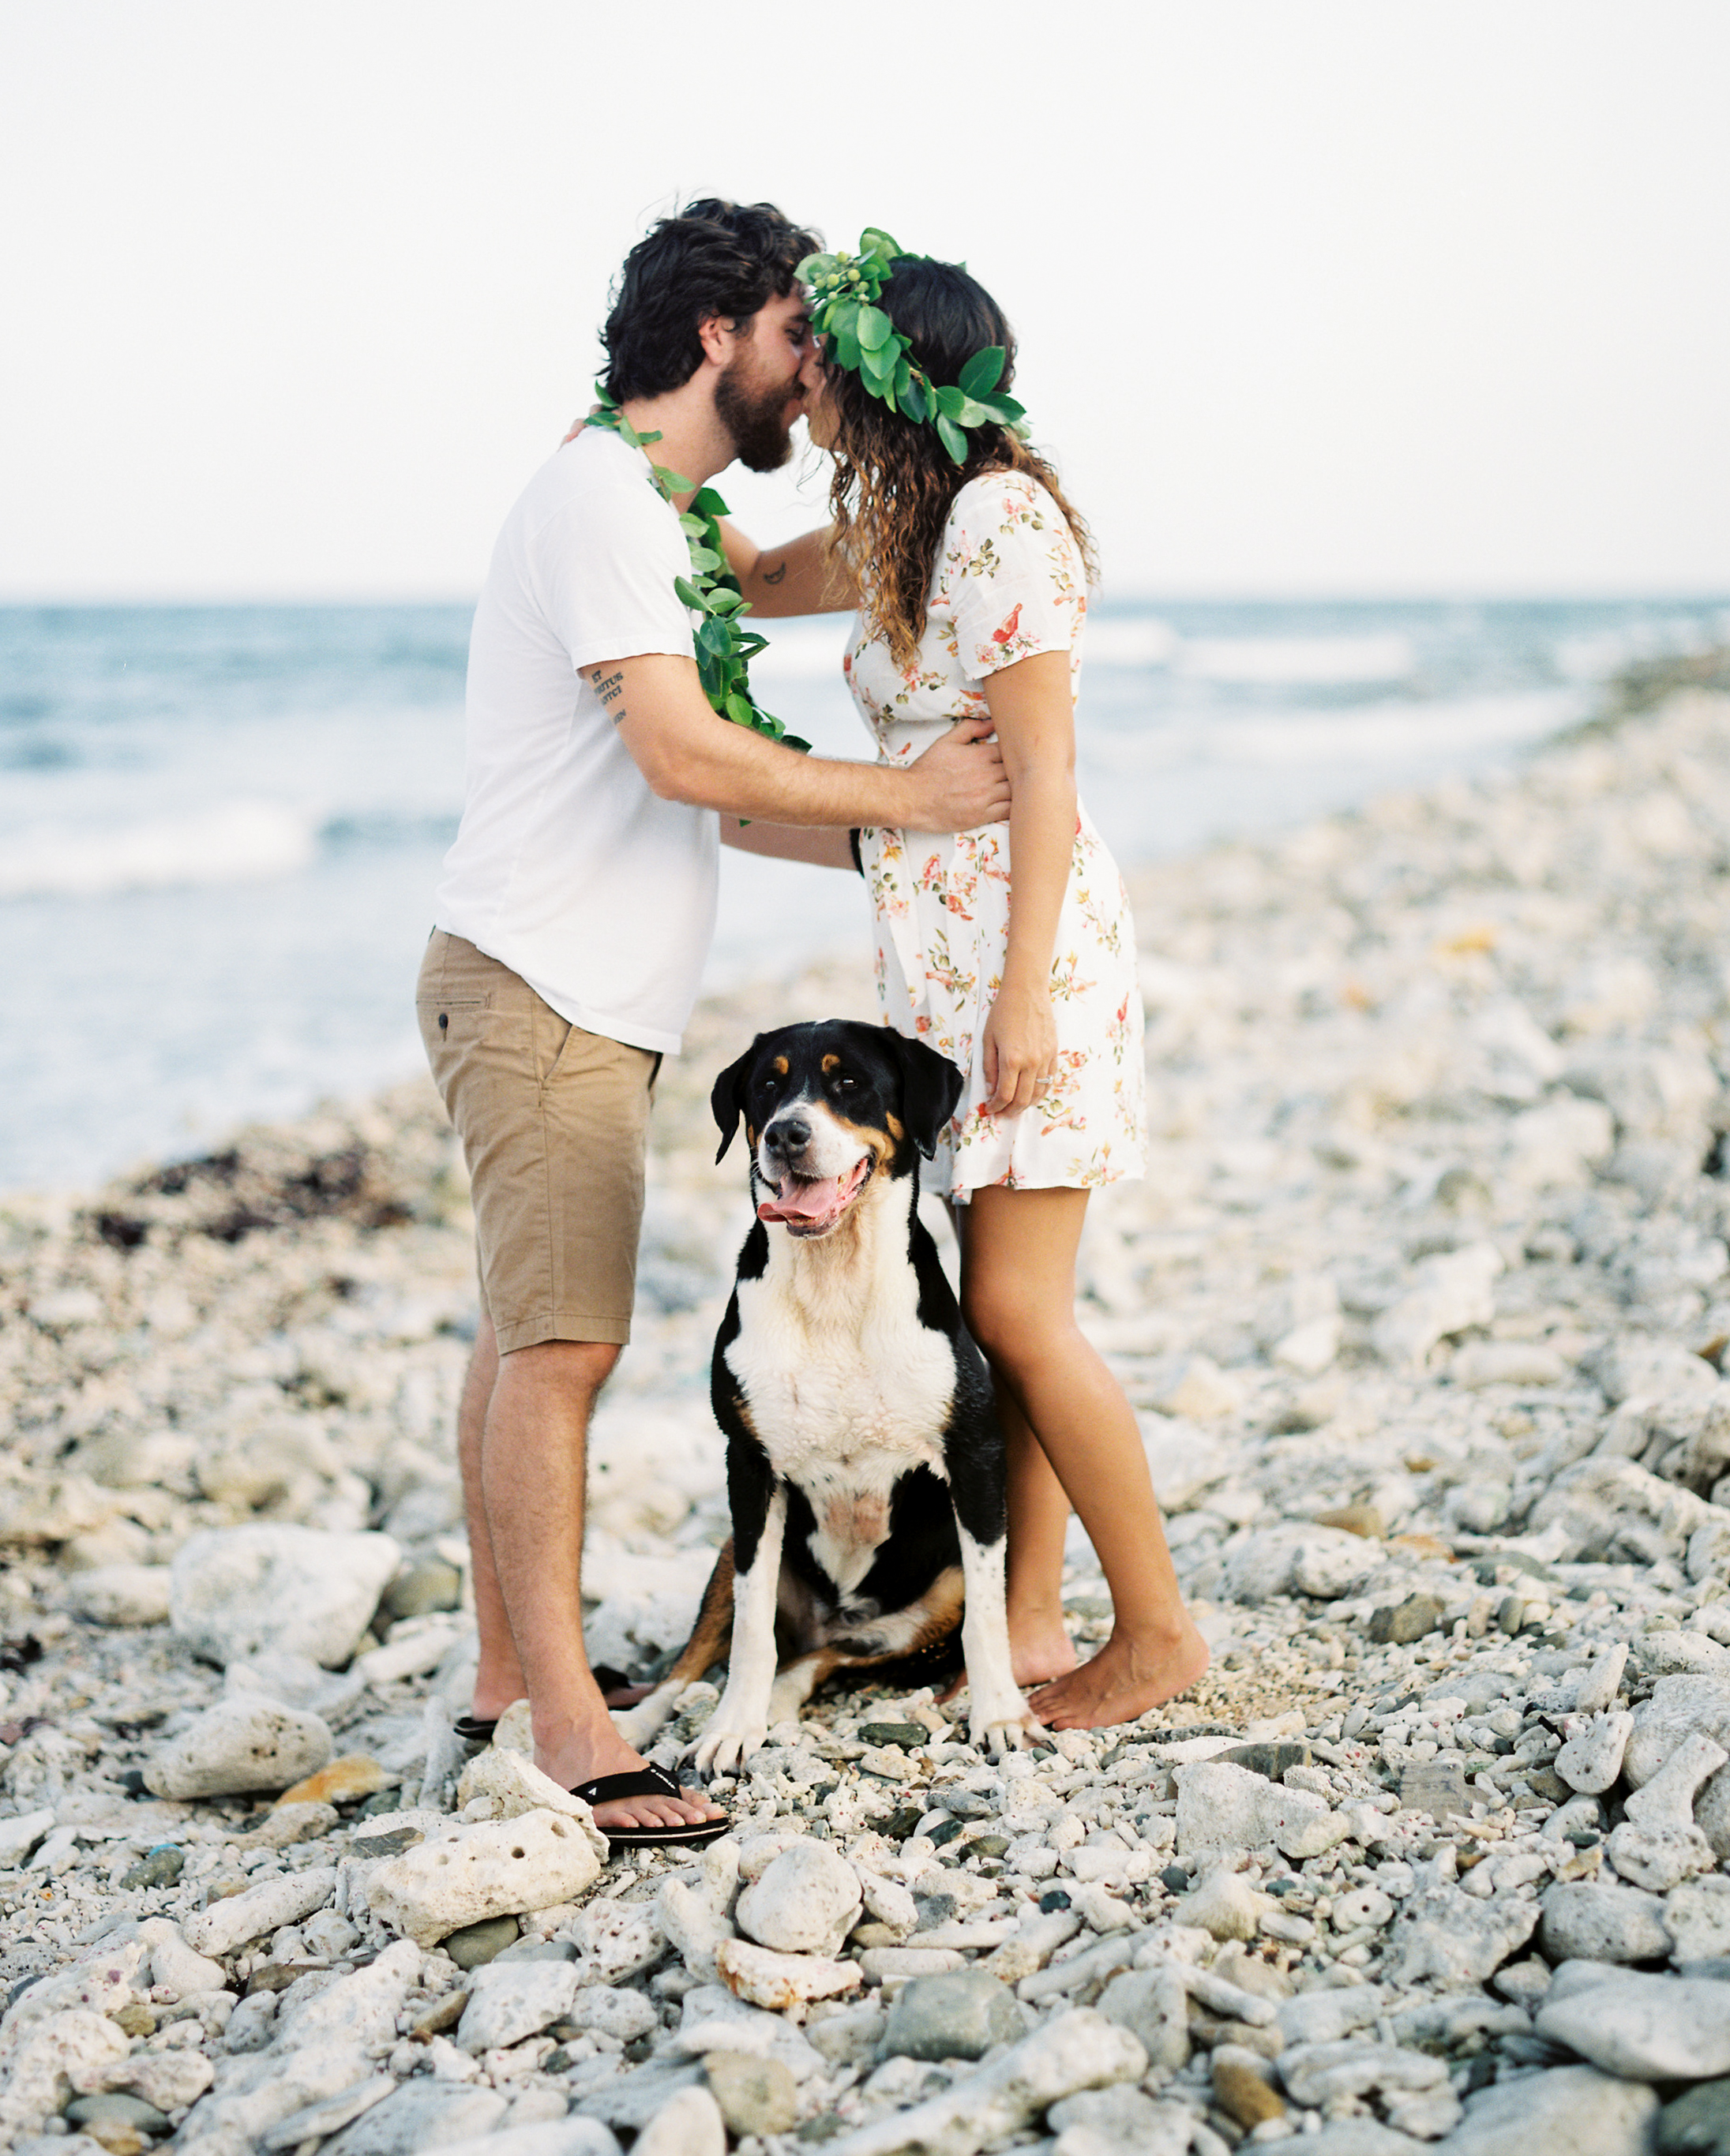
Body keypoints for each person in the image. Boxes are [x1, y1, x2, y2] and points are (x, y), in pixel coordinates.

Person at [418, 200, 1012, 1846]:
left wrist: (929, 820)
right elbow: (692, 759)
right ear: (713, 337)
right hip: (539, 988)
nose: (810, 371)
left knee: (519, 1338)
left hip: (558, 992)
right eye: (794, 340)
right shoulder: (606, 500)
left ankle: (495, 1677)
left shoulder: (652, 515)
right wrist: (907, 786)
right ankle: (569, 1727)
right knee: (561, 1353)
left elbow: (734, 774)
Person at [709, 235, 1209, 1729]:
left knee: (1017, 1310)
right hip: (938, 959)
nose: (811, 382)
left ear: (895, 371)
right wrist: (627, 449)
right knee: (1001, 1318)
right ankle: (1036, 1619)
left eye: (830, 360)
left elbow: (1046, 769)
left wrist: (1024, 997)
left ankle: (1162, 1634)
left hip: (1020, 953)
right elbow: (735, 571)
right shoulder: (905, 527)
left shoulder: (996, 517)